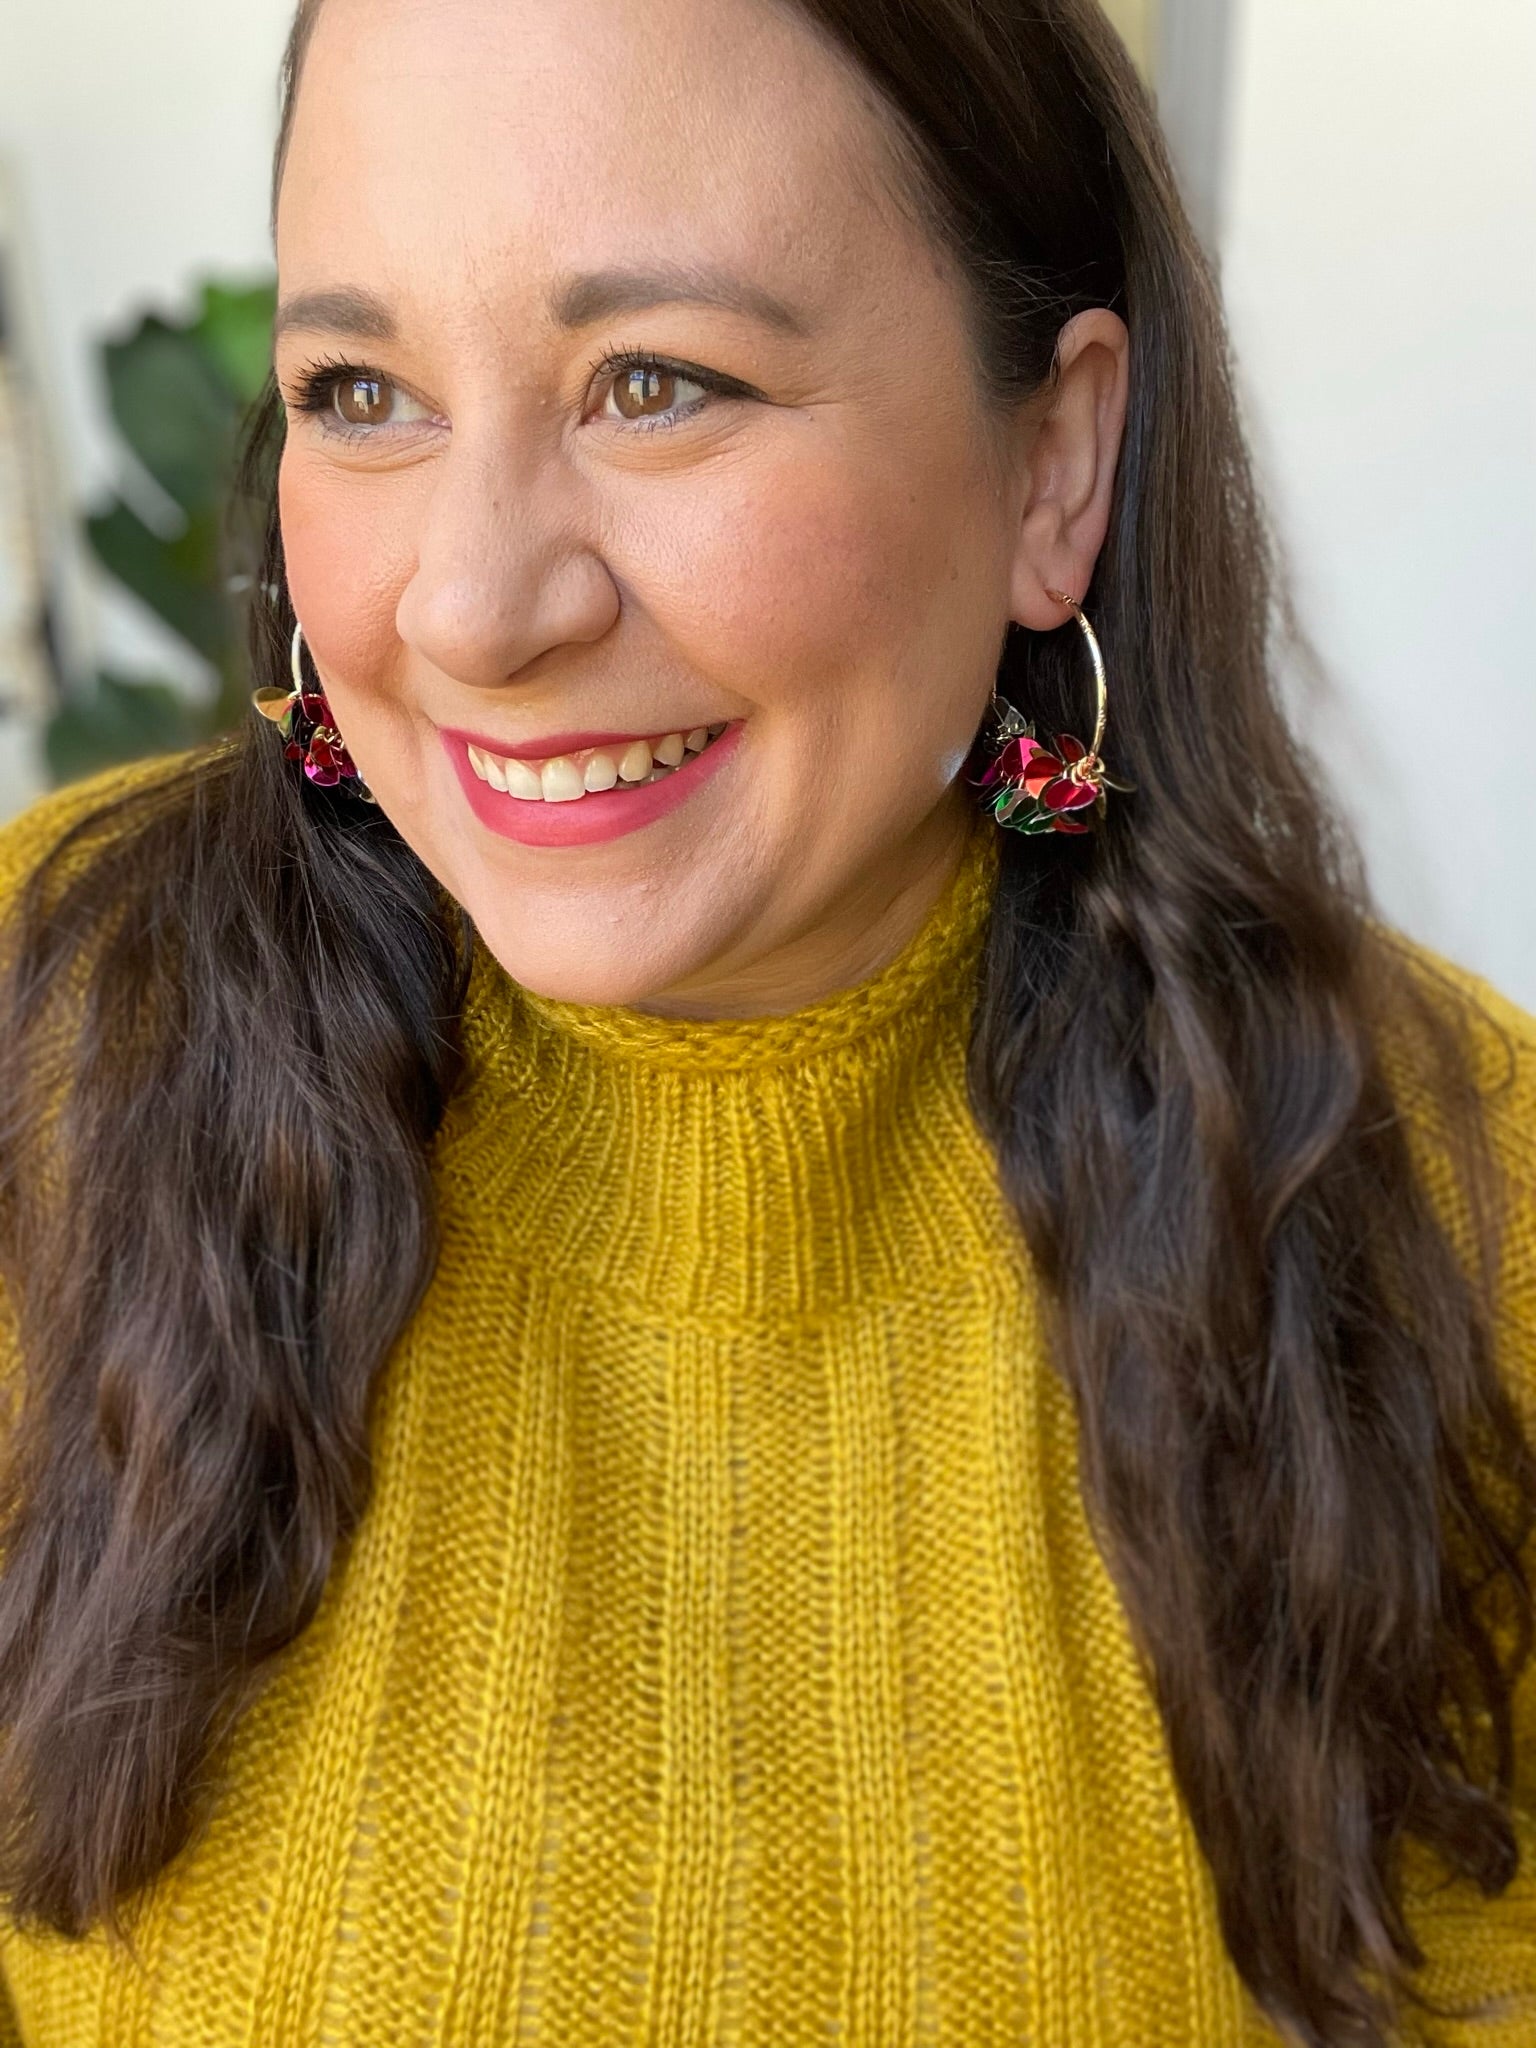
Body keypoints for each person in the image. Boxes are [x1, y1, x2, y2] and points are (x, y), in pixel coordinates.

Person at [0, 0, 1531, 2041]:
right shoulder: (45, 1050)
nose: (471, 608)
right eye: (361, 392)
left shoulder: (1464, 1209)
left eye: (657, 383)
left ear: (1054, 463)